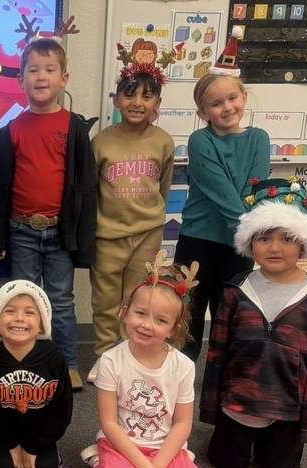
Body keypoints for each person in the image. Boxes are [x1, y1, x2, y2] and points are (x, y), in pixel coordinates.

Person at [200, 178, 307, 468]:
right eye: (264, 238)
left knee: (280, 467)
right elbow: (216, 355)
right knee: (225, 465)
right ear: (250, 243)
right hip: (235, 405)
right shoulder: (235, 290)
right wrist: (210, 408)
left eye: (286, 238)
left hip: (287, 411)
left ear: (303, 242)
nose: (275, 248)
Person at [0, 36, 97, 390]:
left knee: (61, 301)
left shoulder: (74, 128)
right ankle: (26, 362)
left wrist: (82, 238)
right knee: (24, 300)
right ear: (20, 80)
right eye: (33, 70)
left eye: (50, 69)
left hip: (59, 232)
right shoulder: (10, 131)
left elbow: (85, 188)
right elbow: (0, 189)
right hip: (21, 231)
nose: (41, 76)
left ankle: (67, 364)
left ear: (64, 78)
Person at [84, 251, 219, 468]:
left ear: (173, 328)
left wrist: (154, 467)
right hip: (121, 446)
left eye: (160, 320)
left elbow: (182, 424)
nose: (147, 325)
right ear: (125, 314)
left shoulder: (183, 366)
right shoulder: (111, 361)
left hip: (165, 448)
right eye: (140, 313)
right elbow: (109, 423)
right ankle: (101, 463)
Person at [172, 29, 270, 361]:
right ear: (203, 113)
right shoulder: (201, 141)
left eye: (232, 98)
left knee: (231, 320)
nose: (227, 107)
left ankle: (223, 386)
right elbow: (223, 194)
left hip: (238, 246)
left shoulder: (259, 138)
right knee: (187, 319)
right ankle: (178, 379)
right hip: (199, 242)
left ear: (244, 95)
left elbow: (251, 189)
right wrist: (249, 234)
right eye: (216, 104)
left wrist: (248, 240)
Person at [88, 51, 175, 382]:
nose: (137, 102)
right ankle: (104, 358)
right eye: (129, 93)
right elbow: (92, 190)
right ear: (117, 98)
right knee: (107, 302)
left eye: (146, 95)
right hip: (107, 236)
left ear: (157, 102)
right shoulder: (101, 142)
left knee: (138, 300)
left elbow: (163, 189)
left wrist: (151, 220)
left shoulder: (163, 142)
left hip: (148, 235)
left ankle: (131, 358)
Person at [0, 280, 73, 468]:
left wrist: (34, 446)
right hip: (0, 431)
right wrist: (10, 444)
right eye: (9, 311)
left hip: (39, 432)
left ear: (42, 322)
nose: (19, 318)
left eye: (29, 312)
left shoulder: (54, 358)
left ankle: (38, 446)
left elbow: (61, 409)